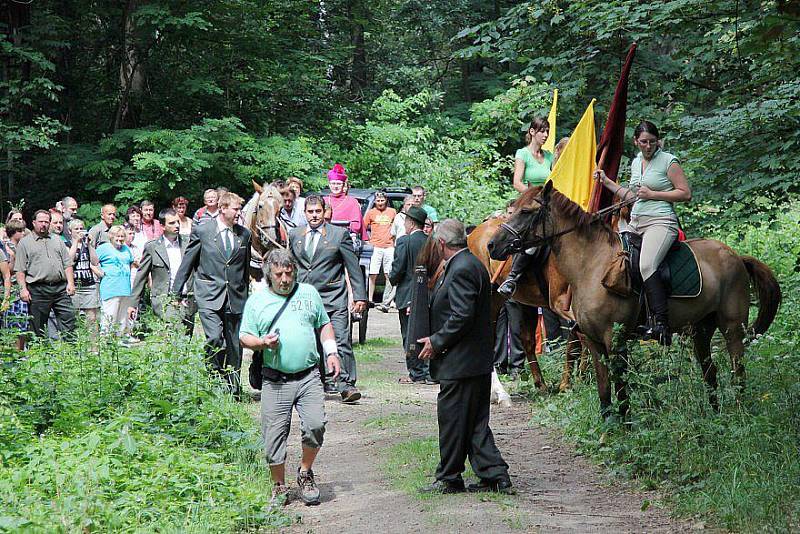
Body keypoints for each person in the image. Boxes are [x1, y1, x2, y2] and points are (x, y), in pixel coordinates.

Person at [417, 219, 512, 495]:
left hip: (462, 362)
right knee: (474, 422)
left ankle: (449, 478)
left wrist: (436, 341)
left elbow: (462, 315)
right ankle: (495, 475)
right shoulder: (469, 264)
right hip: (473, 361)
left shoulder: (462, 269)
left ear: (441, 243)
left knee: (452, 420)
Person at [240, 249, 341, 506]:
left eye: (289, 272)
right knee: (274, 436)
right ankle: (279, 485)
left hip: (308, 376)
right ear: (269, 275)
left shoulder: (309, 293)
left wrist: (331, 352)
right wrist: (262, 343)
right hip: (275, 380)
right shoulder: (257, 301)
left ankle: (305, 472)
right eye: (279, 274)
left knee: (316, 425)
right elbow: (245, 337)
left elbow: (324, 323)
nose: (285, 279)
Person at [594, 120, 692, 345]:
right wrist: (606, 181)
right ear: (636, 141)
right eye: (643, 142)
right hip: (636, 223)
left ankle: (661, 324)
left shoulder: (669, 161)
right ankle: (632, 316)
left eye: (652, 142)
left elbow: (685, 194)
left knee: (646, 265)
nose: (648, 146)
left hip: (661, 222)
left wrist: (654, 194)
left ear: (658, 141)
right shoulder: (636, 162)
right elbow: (632, 196)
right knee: (618, 262)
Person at [287, 194, 366, 403]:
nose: (314, 216)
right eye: (310, 212)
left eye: (318, 212)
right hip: (304, 299)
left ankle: (346, 385)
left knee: (340, 340)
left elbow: (353, 267)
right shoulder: (295, 234)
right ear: (304, 213)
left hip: (333, 297)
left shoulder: (339, 235)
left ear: (325, 213)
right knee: (309, 342)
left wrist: (359, 296)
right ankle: (315, 383)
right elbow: (289, 266)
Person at [173, 192, 251, 398]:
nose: (238, 213)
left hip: (235, 296)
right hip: (209, 294)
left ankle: (233, 388)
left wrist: (246, 296)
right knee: (215, 339)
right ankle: (215, 381)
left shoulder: (244, 234)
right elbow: (188, 262)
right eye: (236, 209)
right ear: (223, 208)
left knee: (234, 344)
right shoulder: (203, 231)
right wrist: (176, 292)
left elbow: (244, 267)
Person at [498, 117, 553, 297]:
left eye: (547, 131)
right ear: (532, 132)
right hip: (528, 205)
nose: (545, 135)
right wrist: (535, 197)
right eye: (542, 131)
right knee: (533, 238)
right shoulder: (522, 154)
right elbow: (517, 182)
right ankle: (512, 277)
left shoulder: (550, 156)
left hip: (547, 206)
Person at [129, 208, 197, 336]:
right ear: (162, 226)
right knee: (175, 334)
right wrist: (133, 303)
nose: (176, 225)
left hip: (188, 299)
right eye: (171, 223)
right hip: (165, 300)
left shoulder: (189, 243)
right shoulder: (152, 247)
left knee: (186, 341)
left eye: (177, 222)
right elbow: (141, 276)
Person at [13, 210, 77, 338]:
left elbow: (67, 263)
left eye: (46, 222)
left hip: (60, 288)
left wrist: (71, 283)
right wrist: (23, 289)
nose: (43, 224)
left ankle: (71, 352)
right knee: (38, 326)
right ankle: (40, 354)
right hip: (38, 289)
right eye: (40, 222)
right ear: (34, 223)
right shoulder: (25, 243)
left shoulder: (57, 240)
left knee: (69, 320)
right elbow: (20, 269)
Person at [388, 206, 430, 383]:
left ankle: (416, 372)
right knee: (428, 331)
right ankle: (429, 371)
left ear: (411, 223)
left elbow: (397, 269)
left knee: (410, 333)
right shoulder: (431, 241)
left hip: (408, 293)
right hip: (428, 294)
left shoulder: (404, 241)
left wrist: (392, 279)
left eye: (406, 221)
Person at [95, 225, 136, 336]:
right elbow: (91, 262)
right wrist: (99, 272)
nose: (120, 239)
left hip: (125, 289)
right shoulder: (103, 248)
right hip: (110, 288)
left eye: (122, 236)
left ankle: (120, 344)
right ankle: (105, 344)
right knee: (109, 318)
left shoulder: (126, 248)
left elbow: (132, 263)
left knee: (123, 320)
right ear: (111, 236)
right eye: (117, 236)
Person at [68, 218, 102, 337]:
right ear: (70, 231)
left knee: (92, 318)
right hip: (75, 285)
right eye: (76, 229)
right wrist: (75, 242)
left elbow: (95, 261)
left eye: (81, 228)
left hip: (89, 284)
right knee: (75, 318)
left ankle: (94, 348)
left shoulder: (86, 244)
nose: (79, 231)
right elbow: (69, 260)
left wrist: (90, 245)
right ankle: (78, 345)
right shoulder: (67, 244)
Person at [363, 190, 396, 311]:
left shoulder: (392, 212)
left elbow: (396, 227)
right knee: (373, 273)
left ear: (386, 200)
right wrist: (366, 240)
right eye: (378, 201)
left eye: (382, 200)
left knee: (389, 274)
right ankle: (370, 299)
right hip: (375, 246)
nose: (380, 203)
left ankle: (388, 300)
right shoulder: (371, 213)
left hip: (389, 246)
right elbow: (363, 227)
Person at [2, 221, 29, 349]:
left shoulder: (21, 247)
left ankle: (21, 353)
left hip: (22, 290)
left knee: (23, 324)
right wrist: (13, 258)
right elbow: (9, 270)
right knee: (13, 324)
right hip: (12, 292)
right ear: (13, 232)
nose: (23, 233)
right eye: (20, 231)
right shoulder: (7, 248)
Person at [323, 164, 367, 241]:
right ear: (329, 185)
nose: (335, 186)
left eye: (338, 184)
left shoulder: (352, 202)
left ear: (343, 185)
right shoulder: (323, 200)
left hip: (345, 238)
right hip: (325, 237)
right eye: (333, 183)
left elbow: (356, 225)